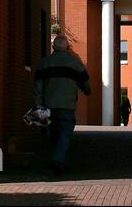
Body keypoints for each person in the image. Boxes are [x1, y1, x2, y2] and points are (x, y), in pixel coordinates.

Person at [33, 34, 91, 174]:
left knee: (54, 135)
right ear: (68, 47)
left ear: (53, 47)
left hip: (48, 106)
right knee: (65, 134)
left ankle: (59, 161)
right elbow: (84, 80)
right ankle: (58, 160)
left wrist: (38, 104)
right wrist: (87, 90)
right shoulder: (74, 62)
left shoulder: (44, 63)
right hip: (67, 105)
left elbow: (37, 86)